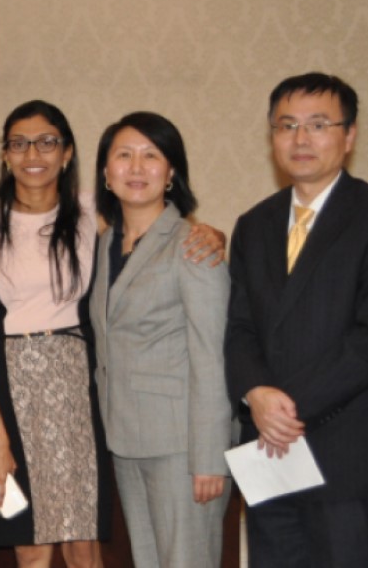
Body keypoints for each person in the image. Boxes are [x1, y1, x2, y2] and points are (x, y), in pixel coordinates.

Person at [224, 73, 368, 567]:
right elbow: (239, 327)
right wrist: (254, 393)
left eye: (318, 124)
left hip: (347, 451)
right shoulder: (254, 224)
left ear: (349, 135)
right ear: (272, 137)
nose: (300, 139)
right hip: (269, 454)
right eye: (286, 125)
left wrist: (283, 408)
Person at [0, 100, 110, 568]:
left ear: (67, 152)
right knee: (27, 544)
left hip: (76, 389)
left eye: (46, 141)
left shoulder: (92, 211)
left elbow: (157, 227)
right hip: (3, 392)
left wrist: (204, 233)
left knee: (84, 547)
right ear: (5, 155)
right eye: (18, 144)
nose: (32, 154)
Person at [86, 112, 232, 568]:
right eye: (124, 155)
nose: (136, 167)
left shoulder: (193, 246)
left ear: (171, 173)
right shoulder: (105, 246)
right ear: (106, 174)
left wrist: (209, 458)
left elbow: (212, 356)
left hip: (181, 446)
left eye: (152, 156)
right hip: (125, 439)